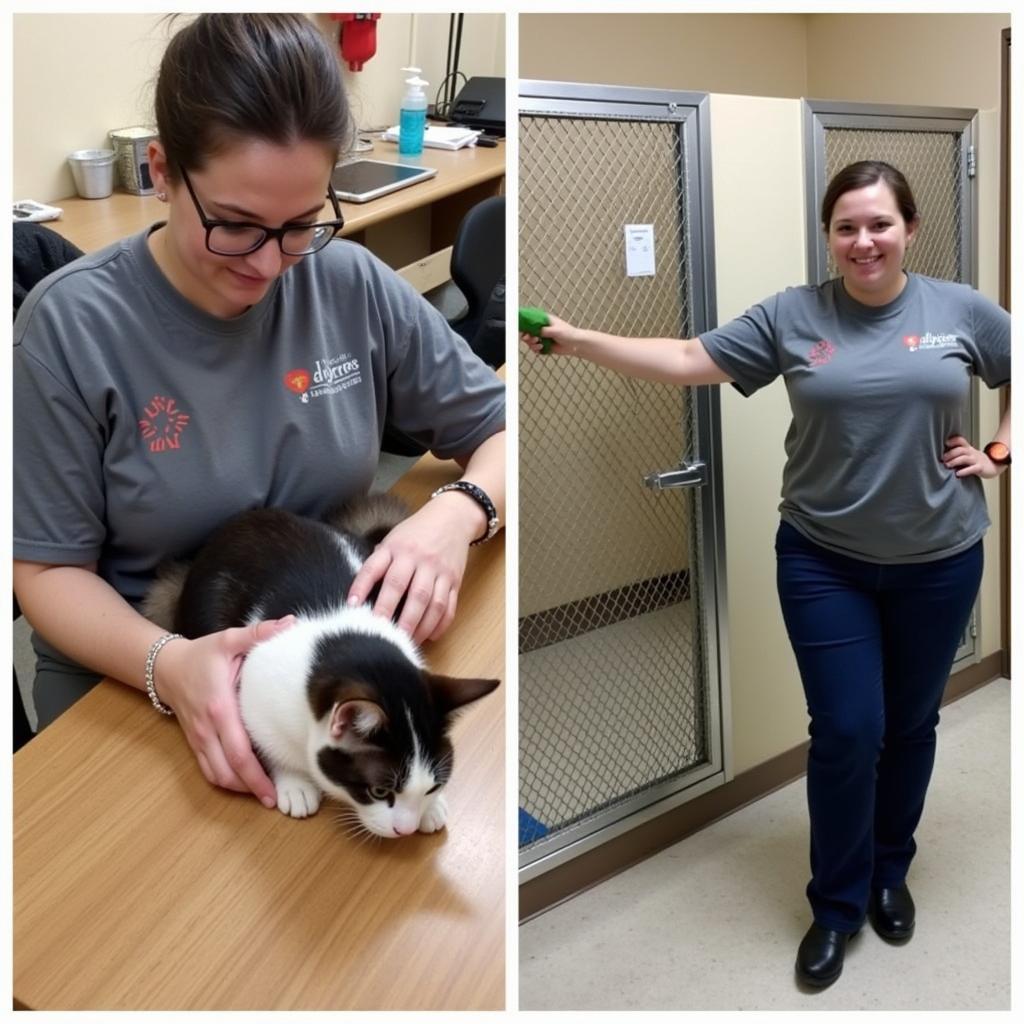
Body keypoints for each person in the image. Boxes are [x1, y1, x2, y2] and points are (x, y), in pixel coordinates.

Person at [522, 160, 1009, 988]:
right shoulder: (794, 315)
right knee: (850, 729)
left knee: (912, 724)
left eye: (880, 224)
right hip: (825, 560)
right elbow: (685, 358)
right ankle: (837, 904)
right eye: (847, 227)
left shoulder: (958, 309)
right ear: (829, 235)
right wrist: (574, 340)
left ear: (910, 230)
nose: (864, 241)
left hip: (939, 559)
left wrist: (1000, 450)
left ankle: (891, 871)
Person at [14, 14, 505, 811]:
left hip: (336, 675)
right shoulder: (70, 329)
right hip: (139, 676)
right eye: (236, 225)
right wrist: (166, 664)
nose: (272, 263)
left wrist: (459, 511)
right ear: (164, 171)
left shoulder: (347, 282)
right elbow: (44, 572)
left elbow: (503, 431)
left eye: (301, 224)